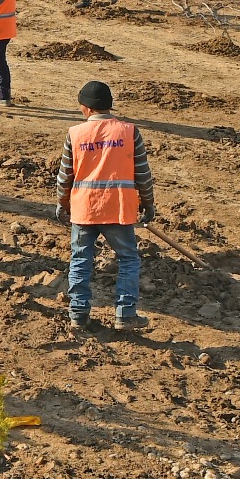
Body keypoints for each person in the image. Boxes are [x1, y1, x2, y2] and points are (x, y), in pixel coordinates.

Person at [57, 80, 156, 331]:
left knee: (80, 259)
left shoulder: (75, 134)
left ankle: (78, 314)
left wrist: (62, 203)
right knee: (128, 259)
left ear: (87, 108)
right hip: (118, 208)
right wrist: (148, 203)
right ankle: (126, 315)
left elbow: (65, 175)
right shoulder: (129, 131)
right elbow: (143, 174)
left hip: (84, 208)